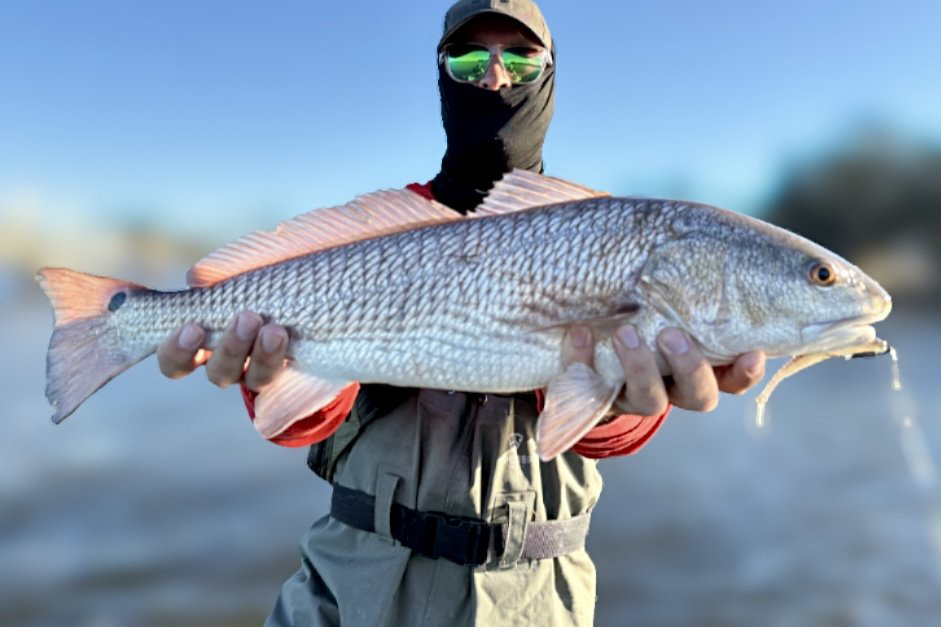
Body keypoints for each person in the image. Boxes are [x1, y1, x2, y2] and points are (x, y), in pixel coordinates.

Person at [157, 1, 766, 625]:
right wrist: (263, 371)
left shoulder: (609, 234)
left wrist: (624, 406)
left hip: (533, 600)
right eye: (470, 59)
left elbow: (605, 437)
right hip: (351, 588)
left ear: (551, 77)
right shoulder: (372, 236)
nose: (495, 78)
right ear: (441, 76)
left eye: (522, 60)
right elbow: (301, 424)